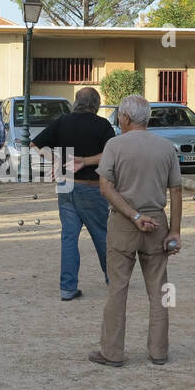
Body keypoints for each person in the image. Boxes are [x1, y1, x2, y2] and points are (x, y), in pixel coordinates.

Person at [89, 93, 182, 367]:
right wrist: (175, 230)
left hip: (123, 221)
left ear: (126, 118)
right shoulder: (166, 147)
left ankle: (112, 352)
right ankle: (159, 351)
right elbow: (176, 190)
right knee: (159, 289)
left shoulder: (114, 146)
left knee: (118, 288)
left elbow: (106, 188)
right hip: (157, 222)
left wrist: (133, 215)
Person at [30, 86, 116, 301]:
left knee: (69, 237)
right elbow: (110, 154)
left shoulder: (62, 121)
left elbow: (35, 144)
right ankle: (113, 279)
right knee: (102, 235)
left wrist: (57, 161)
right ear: (95, 104)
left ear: (76, 102)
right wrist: (85, 161)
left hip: (65, 185)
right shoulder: (102, 125)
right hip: (91, 187)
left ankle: (67, 287)